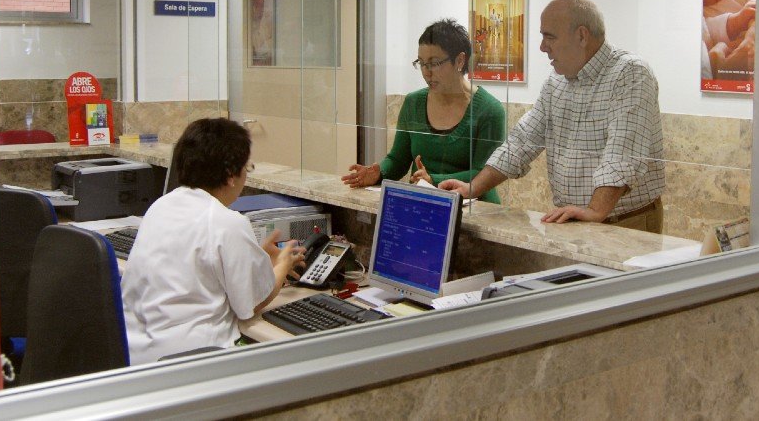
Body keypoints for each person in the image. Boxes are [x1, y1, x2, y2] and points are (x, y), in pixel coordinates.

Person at [439, 0, 665, 231]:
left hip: (624, 222)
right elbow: (521, 142)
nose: (542, 47)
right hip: (576, 219)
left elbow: (622, 155)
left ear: (581, 36)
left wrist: (596, 210)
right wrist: (471, 188)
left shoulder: (630, 74)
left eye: (549, 37)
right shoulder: (556, 82)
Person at [121, 117, 305, 364]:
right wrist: (282, 265)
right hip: (192, 360)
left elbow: (199, 267)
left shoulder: (161, 206)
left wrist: (255, 257)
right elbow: (251, 303)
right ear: (231, 175)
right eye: (246, 168)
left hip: (136, 354)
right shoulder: (226, 222)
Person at [341, 18, 507, 203]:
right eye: (421, 63)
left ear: (459, 60)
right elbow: (398, 159)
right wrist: (379, 172)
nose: (426, 72)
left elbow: (485, 172)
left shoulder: (490, 110)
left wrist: (433, 181)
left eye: (434, 63)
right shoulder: (414, 102)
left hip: (476, 209)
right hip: (424, 205)